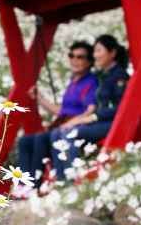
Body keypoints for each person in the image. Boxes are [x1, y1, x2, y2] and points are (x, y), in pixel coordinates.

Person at [13, 42, 98, 197]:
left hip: (73, 126)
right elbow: (62, 111)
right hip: (63, 123)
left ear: (89, 62)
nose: (75, 60)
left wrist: (73, 122)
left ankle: (33, 185)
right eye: (72, 55)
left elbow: (90, 110)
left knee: (40, 139)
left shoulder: (91, 83)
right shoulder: (73, 81)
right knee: (25, 141)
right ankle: (21, 183)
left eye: (80, 57)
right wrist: (40, 99)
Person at [51, 34, 130, 181]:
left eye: (99, 51)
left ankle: (73, 180)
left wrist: (91, 118)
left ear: (112, 53)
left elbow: (120, 107)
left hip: (111, 122)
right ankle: (62, 181)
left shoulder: (120, 75)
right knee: (57, 133)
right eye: (94, 51)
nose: (95, 56)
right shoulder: (100, 75)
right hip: (99, 120)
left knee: (69, 135)